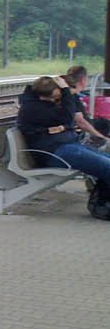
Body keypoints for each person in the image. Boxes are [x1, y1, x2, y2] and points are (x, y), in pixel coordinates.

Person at [16, 75, 110, 220]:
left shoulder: (41, 103)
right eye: (57, 94)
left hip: (66, 147)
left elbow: (67, 123)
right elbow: (67, 117)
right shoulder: (33, 107)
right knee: (107, 167)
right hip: (56, 152)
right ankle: (103, 205)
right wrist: (66, 90)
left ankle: (103, 203)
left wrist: (62, 127)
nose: (57, 98)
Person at [63, 65, 110, 144]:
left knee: (103, 122)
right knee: (104, 124)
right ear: (84, 80)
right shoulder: (71, 95)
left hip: (84, 126)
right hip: (81, 133)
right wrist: (103, 139)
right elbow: (80, 122)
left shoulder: (70, 94)